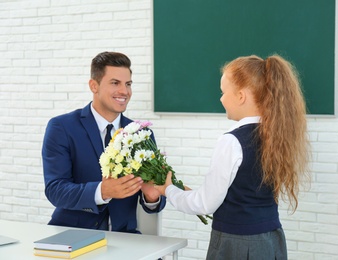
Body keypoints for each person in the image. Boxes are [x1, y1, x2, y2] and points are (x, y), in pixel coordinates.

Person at [155, 54, 310, 259]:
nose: (220, 98)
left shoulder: (231, 141)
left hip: (237, 243)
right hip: (271, 240)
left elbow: (205, 204)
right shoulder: (276, 135)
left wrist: (168, 191)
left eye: (223, 91)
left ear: (241, 96)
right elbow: (243, 193)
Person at [42, 51, 165, 233]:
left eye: (128, 84)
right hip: (73, 235)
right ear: (94, 85)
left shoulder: (142, 134)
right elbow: (55, 190)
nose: (124, 91)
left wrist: (152, 197)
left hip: (126, 239)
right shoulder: (62, 127)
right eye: (115, 83)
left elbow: (154, 200)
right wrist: (102, 191)